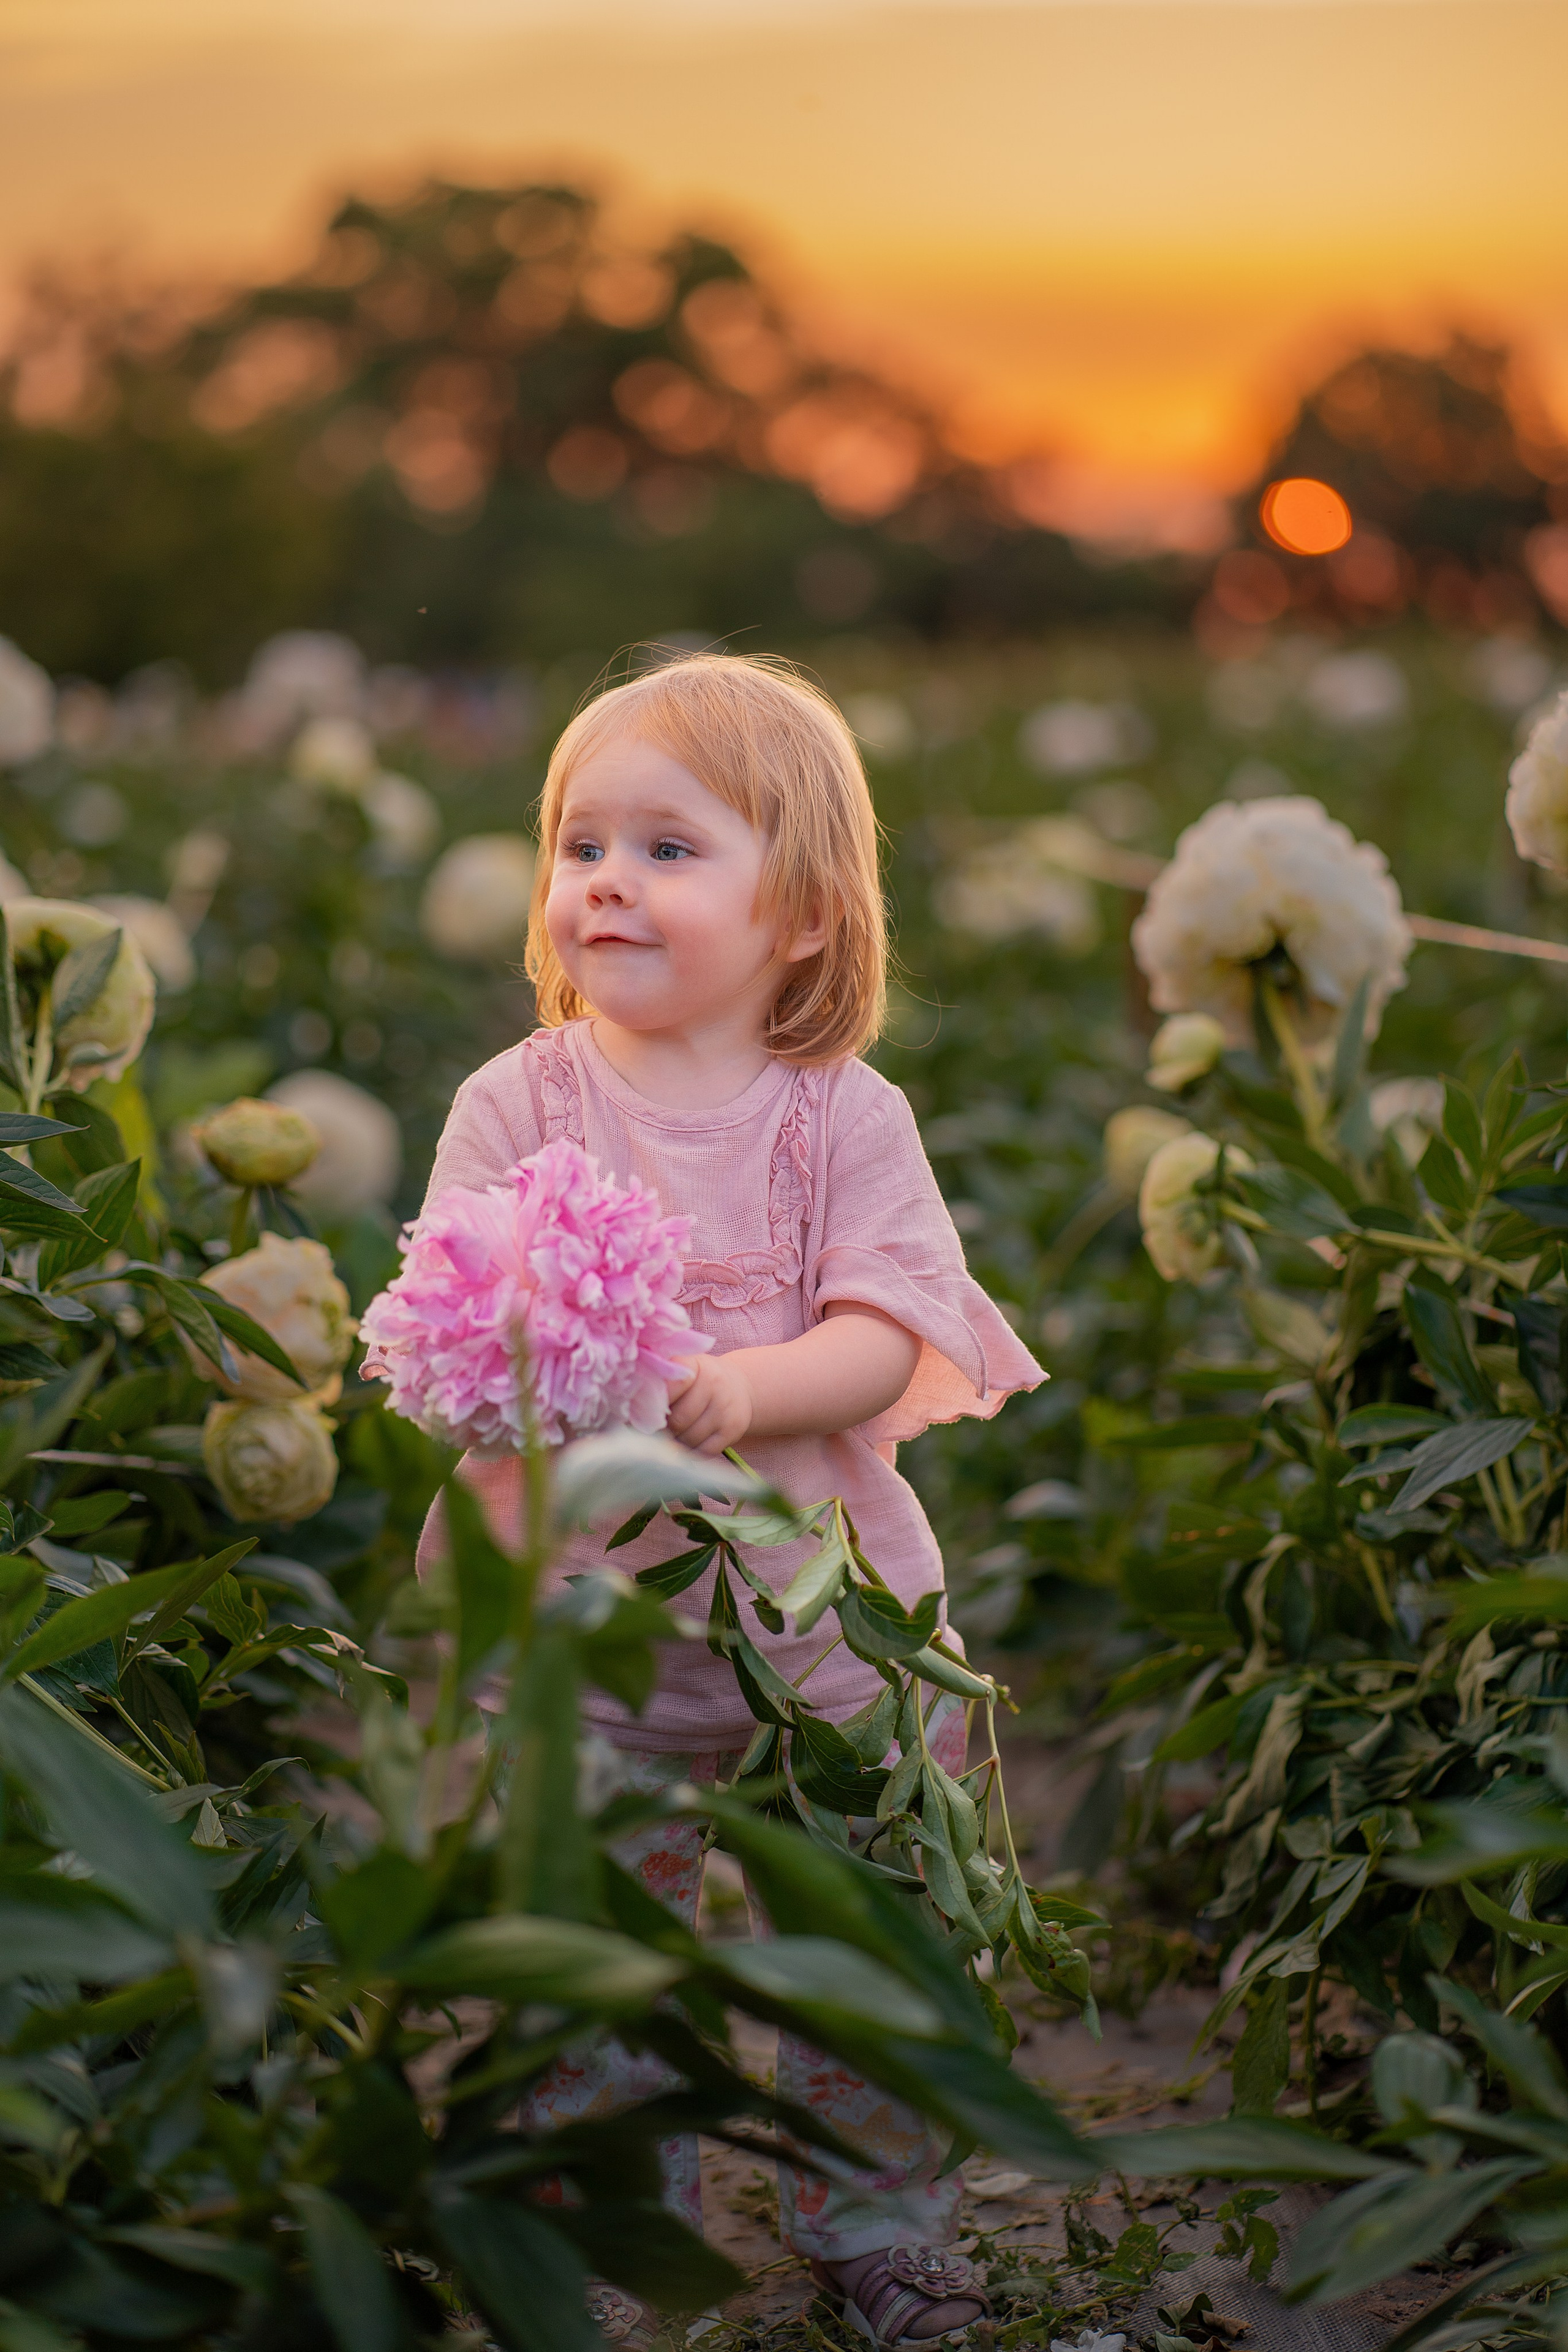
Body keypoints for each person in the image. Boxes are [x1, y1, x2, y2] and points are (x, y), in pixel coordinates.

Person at [419, 652, 1042, 2346]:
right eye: (578, 843)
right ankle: (618, 2250)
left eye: (669, 848)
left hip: (823, 1641)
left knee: (864, 1951)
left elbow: (889, 1332)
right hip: (585, 1644)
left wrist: (744, 1389)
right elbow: (444, 1314)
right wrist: (524, 1355)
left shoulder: (840, 1116)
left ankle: (880, 2228)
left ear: (809, 920)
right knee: (594, 1962)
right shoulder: (517, 1101)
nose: (605, 878)